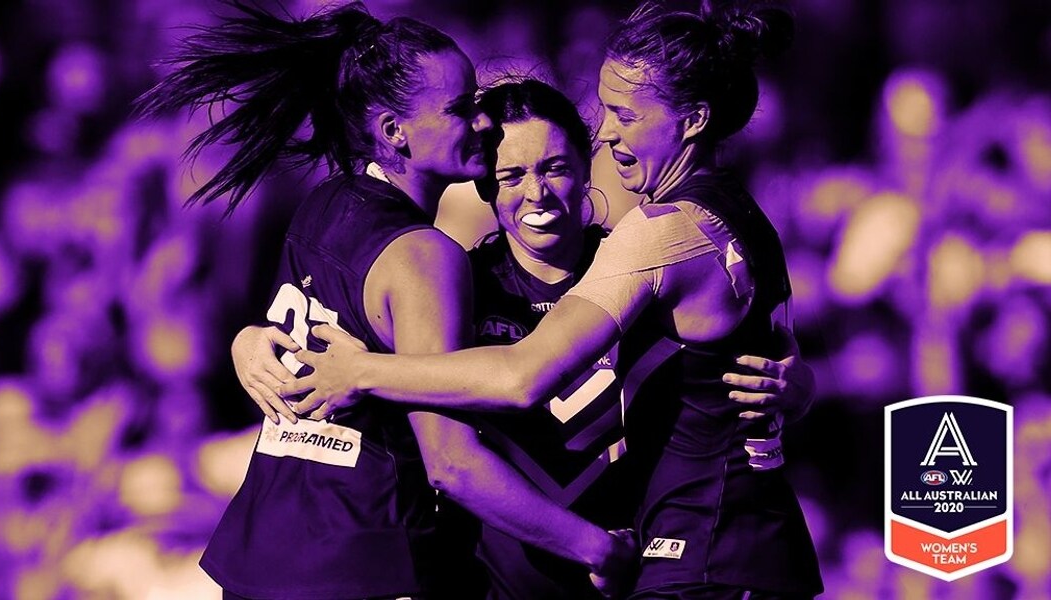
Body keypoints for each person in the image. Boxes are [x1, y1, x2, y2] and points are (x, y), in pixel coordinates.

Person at [276, 3, 824, 598]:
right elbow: (440, 451)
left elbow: (521, 376)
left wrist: (360, 372)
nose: (537, 191)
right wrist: (252, 343)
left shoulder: (649, 248)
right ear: (484, 186)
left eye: (557, 165)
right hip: (545, 577)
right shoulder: (456, 285)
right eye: (510, 175)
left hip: (681, 557)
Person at [136, 3, 635, 599]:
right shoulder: (427, 257)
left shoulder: (323, 203)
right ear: (394, 130)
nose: (482, 122)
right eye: (459, 108)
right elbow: (451, 463)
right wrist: (597, 548)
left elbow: (292, 343)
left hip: (260, 553)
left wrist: (247, 342)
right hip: (364, 560)